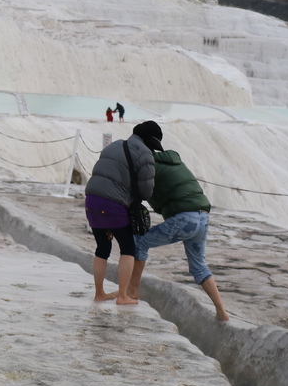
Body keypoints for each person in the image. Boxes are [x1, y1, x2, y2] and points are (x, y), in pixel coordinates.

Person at [127, 148, 229, 321]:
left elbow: (138, 194)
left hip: (184, 220)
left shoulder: (149, 168)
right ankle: (221, 311)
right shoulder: (174, 162)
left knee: (140, 243)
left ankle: (132, 292)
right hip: (202, 217)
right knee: (199, 267)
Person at [83, 120, 163, 305]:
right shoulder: (145, 155)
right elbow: (145, 191)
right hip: (114, 203)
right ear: (150, 141)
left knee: (102, 248)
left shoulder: (113, 146)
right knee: (128, 249)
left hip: (91, 200)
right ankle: (122, 296)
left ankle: (99, 294)